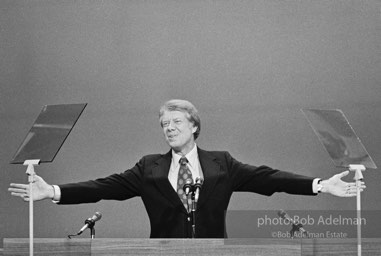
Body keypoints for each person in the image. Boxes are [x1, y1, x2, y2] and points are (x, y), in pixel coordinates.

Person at [9, 99, 365, 238]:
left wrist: (320, 184)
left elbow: (268, 178)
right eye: (164, 124)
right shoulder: (148, 168)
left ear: (194, 125)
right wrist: (52, 191)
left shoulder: (221, 163)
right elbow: (103, 186)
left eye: (177, 121)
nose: (169, 128)